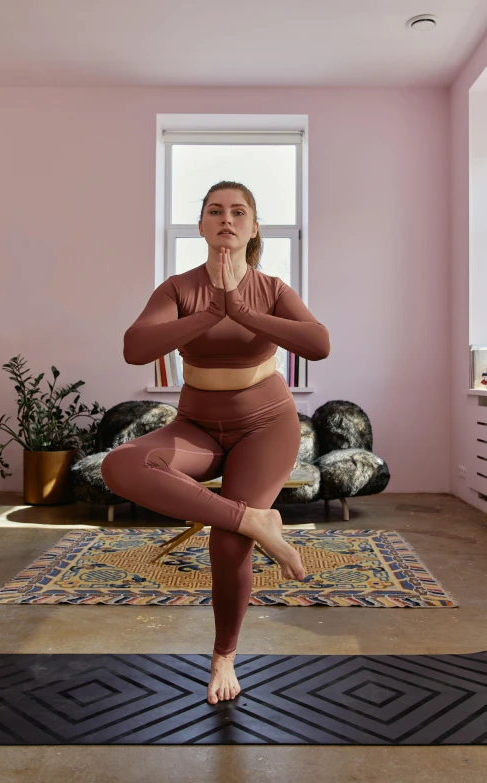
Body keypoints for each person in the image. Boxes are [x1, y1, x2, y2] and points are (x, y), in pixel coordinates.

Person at [101, 180, 330, 705]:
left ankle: (223, 654)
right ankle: (253, 519)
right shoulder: (178, 289)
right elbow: (135, 348)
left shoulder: (271, 288)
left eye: (238, 212)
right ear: (202, 226)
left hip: (266, 427)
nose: (226, 219)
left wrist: (240, 308)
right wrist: (210, 311)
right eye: (214, 211)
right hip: (198, 427)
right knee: (121, 465)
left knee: (226, 546)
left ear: (252, 229)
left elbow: (319, 343)